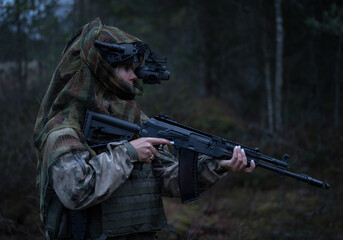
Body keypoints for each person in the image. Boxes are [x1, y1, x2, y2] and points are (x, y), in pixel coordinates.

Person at [33, 18, 255, 240]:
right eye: (126, 68)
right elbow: (76, 190)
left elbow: (168, 177)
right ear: (104, 73)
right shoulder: (62, 130)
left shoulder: (133, 120)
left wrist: (218, 164)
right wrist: (129, 152)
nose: (134, 75)